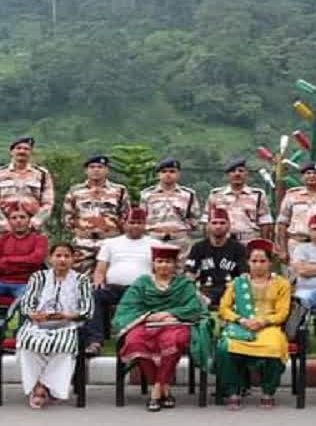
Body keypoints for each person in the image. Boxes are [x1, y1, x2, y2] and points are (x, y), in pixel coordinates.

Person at [114, 244, 209, 412]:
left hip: (174, 324)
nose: (164, 265)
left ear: (175, 265)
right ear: (153, 264)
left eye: (168, 262)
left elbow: (194, 307)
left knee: (175, 340)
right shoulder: (142, 283)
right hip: (146, 324)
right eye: (160, 261)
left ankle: (155, 390)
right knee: (134, 341)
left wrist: (169, 312)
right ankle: (163, 388)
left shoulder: (184, 284)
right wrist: (149, 316)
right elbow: (126, 308)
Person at [215, 239, 292, 410]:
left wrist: (263, 321)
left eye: (263, 261)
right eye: (254, 261)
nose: (258, 265)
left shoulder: (282, 284)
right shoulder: (237, 283)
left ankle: (268, 391)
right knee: (225, 347)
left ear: (270, 262)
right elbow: (224, 308)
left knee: (274, 346)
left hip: (268, 327)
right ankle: (233, 391)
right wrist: (240, 320)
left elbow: (282, 312)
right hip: (241, 325)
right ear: (247, 262)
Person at [15, 243, 94, 408]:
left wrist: (68, 315)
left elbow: (88, 309)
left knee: (64, 346)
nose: (62, 260)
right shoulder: (38, 277)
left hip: (68, 324)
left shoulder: (82, 280)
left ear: (73, 259)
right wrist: (34, 315)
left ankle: (42, 387)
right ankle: (37, 385)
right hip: (39, 323)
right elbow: (27, 304)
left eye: (67, 256)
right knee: (25, 343)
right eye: (58, 256)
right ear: (50, 259)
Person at [83, 207, 160, 355]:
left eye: (139, 222)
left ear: (145, 224)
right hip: (114, 288)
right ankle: (95, 341)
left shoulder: (154, 244)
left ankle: (150, 339)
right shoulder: (110, 243)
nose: (135, 226)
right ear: (124, 223)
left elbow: (160, 270)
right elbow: (100, 269)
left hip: (142, 289)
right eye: (131, 222)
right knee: (93, 295)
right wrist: (98, 282)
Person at [0, 203, 48, 346]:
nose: (18, 220)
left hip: (27, 282)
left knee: (28, 299)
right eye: (14, 217)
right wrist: (22, 264)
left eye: (22, 217)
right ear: (9, 221)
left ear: (29, 220)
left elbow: (36, 261)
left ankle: (20, 335)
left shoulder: (39, 240)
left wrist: (6, 261)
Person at [63, 154, 130, 276]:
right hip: (83, 243)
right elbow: (68, 216)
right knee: (79, 279)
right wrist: (81, 231)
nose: (96, 170)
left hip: (109, 242)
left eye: (100, 167)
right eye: (92, 167)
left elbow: (125, 216)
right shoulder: (75, 191)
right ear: (86, 170)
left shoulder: (119, 190)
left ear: (107, 170)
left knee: (109, 279)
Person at [0, 136, 54, 233]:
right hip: (6, 228)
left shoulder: (42, 174)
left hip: (34, 228)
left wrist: (35, 222)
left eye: (26, 149)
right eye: (18, 148)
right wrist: (3, 222)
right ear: (11, 152)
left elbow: (48, 203)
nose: (22, 151)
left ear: (31, 152)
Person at [185, 207, 247, 309]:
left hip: (230, 290)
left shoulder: (238, 248)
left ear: (229, 225)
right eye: (214, 223)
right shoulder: (198, 247)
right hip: (206, 291)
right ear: (208, 225)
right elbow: (189, 275)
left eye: (222, 223)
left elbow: (244, 276)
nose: (218, 226)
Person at [140, 157, 201, 258]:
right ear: (158, 174)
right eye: (164, 171)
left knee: (180, 271)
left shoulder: (188, 194)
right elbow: (142, 218)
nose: (168, 174)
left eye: (172, 171)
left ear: (178, 174)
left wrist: (182, 231)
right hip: (154, 238)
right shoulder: (147, 194)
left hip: (179, 240)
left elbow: (194, 219)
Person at [203, 159, 273, 242]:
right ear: (227, 175)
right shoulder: (216, 194)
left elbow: (265, 222)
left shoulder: (258, 195)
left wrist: (264, 243)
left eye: (241, 171)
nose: (237, 174)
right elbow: (207, 221)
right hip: (224, 241)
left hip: (249, 240)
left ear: (247, 174)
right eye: (233, 171)